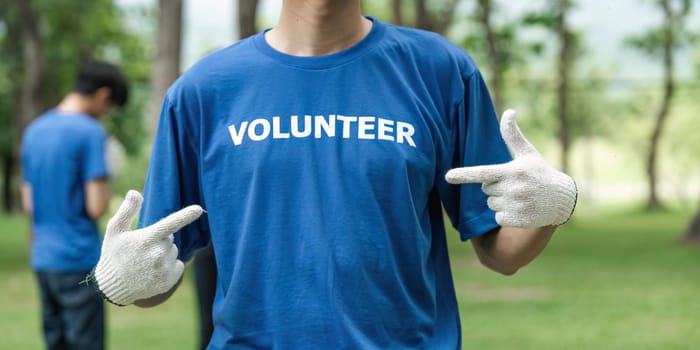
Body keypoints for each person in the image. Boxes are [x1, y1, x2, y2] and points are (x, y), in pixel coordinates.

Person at [87, 1, 577, 348]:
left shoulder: (441, 71)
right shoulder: (203, 91)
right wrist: (119, 278)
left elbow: (502, 253)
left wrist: (558, 204)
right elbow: (158, 276)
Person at [20, 61, 129, 350]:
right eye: (110, 107)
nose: (106, 114)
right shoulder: (90, 132)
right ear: (103, 95)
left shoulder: (34, 131)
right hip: (78, 258)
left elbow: (28, 201)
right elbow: (96, 206)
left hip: (43, 258)